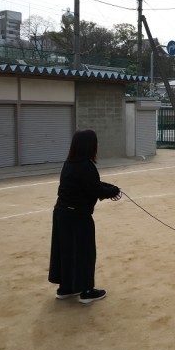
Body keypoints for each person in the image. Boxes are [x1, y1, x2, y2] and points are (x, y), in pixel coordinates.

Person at [48, 129, 122, 304]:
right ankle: (87, 291)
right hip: (78, 217)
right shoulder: (86, 166)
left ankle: (66, 288)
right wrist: (113, 191)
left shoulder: (70, 163)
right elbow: (95, 189)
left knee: (66, 251)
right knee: (84, 252)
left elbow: (91, 183)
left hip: (61, 214)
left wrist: (110, 187)